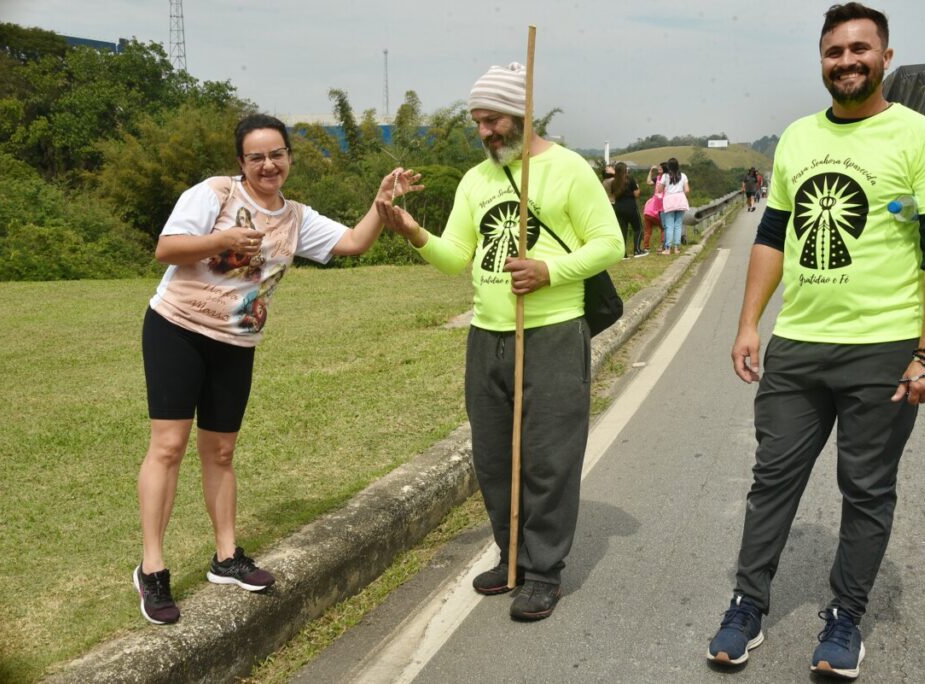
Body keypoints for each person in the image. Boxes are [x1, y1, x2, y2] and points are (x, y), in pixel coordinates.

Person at [706, 3, 925, 679]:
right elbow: (772, 237)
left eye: (859, 49)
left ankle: (846, 616)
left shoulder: (920, 138)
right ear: (820, 60)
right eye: (833, 51)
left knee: (867, 489)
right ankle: (746, 605)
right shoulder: (795, 139)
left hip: (884, 348)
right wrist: (747, 324)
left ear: (883, 56)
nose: (846, 61)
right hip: (798, 344)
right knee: (771, 482)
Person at [135, 113, 422, 625]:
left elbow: (354, 243)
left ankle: (226, 558)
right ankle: (151, 568)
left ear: (289, 157)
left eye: (277, 155)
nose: (268, 165)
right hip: (176, 330)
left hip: (236, 343)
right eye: (256, 157)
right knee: (169, 446)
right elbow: (166, 249)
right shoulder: (216, 194)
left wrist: (382, 205)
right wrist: (219, 242)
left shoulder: (296, 218)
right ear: (241, 162)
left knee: (220, 451)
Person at [378, 62, 623, 621]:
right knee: (493, 458)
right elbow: (456, 258)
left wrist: (550, 271)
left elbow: (608, 243)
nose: (486, 132)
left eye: (495, 120)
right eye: (479, 123)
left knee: (548, 459)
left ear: (523, 113)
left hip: (554, 333)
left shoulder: (568, 170)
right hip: (487, 335)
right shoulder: (476, 180)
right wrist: (414, 232)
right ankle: (511, 555)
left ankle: (542, 570)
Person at [611, 162, 646, 257]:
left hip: (619, 208)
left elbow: (614, 195)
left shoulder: (614, 182)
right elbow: (636, 194)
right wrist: (638, 188)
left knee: (623, 231)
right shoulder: (630, 179)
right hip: (630, 207)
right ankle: (637, 250)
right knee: (638, 228)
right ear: (625, 170)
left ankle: (623, 254)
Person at [657, 157, 690, 255]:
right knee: (678, 225)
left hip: (669, 201)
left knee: (669, 225)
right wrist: (682, 196)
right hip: (680, 200)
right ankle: (676, 248)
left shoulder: (665, 176)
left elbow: (659, 190)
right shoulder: (683, 175)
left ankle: (667, 249)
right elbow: (687, 190)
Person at [643, 163, 668, 252]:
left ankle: (646, 247)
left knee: (648, 229)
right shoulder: (662, 178)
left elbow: (649, 182)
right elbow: (649, 182)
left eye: (660, 168)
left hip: (650, 208)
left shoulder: (662, 178)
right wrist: (651, 171)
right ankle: (662, 245)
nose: (658, 169)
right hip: (658, 208)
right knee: (663, 228)